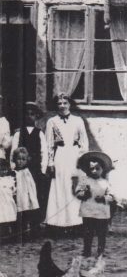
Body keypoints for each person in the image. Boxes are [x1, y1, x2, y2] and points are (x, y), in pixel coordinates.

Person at [45, 93, 88, 229]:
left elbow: (84, 142)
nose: (62, 106)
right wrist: (50, 163)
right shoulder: (52, 121)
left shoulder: (78, 120)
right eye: (59, 103)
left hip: (74, 155)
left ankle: (75, 222)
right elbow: (49, 144)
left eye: (65, 103)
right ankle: (58, 222)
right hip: (60, 155)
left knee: (74, 185)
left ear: (70, 104)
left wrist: (82, 159)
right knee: (60, 186)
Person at [73, 151, 114, 258]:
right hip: (88, 212)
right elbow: (77, 193)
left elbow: (111, 196)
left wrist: (104, 198)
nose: (94, 171)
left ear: (102, 169)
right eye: (92, 169)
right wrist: (84, 193)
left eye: (97, 168)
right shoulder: (84, 181)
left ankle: (100, 251)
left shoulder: (105, 182)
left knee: (101, 233)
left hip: (102, 212)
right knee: (88, 233)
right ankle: (87, 251)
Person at [11, 102, 49, 219]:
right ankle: (22, 222)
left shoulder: (39, 133)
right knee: (22, 195)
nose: (29, 116)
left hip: (35, 170)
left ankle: (34, 222)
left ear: (36, 116)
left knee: (35, 194)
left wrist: (42, 170)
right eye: (26, 114)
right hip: (21, 170)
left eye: (32, 114)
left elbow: (44, 152)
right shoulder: (18, 133)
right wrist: (13, 168)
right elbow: (13, 152)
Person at [13, 146, 39, 237]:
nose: (20, 161)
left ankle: (27, 232)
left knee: (26, 214)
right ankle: (16, 232)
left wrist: (31, 197)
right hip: (17, 196)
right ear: (15, 159)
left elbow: (31, 186)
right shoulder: (13, 172)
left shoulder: (27, 172)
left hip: (25, 196)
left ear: (27, 160)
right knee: (17, 213)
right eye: (18, 159)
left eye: (23, 159)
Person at [0, 158, 17, 237]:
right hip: (1, 202)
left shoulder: (9, 179)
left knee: (9, 216)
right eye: (1, 170)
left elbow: (13, 190)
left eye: (5, 170)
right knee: (2, 217)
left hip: (8, 201)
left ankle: (9, 233)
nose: (4, 172)